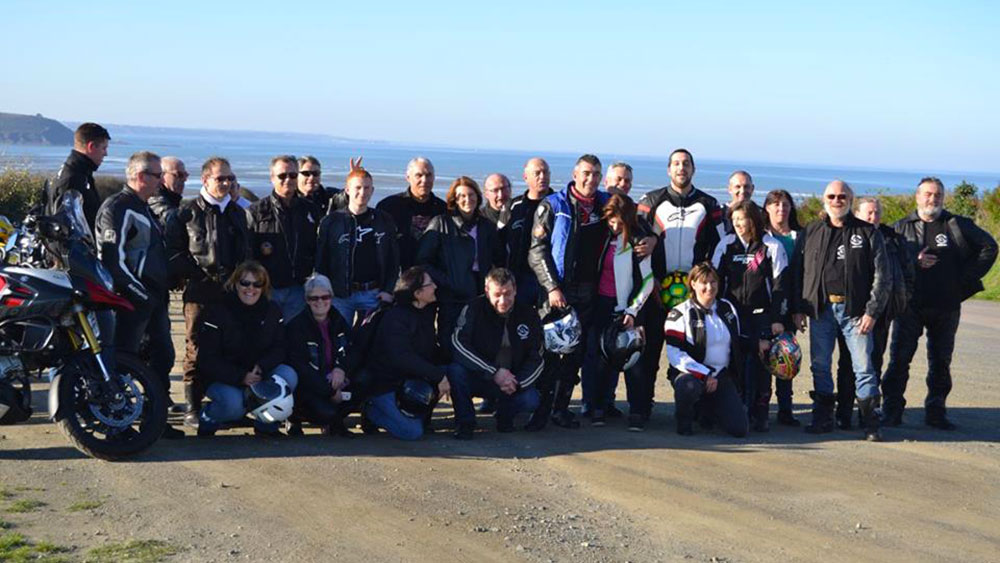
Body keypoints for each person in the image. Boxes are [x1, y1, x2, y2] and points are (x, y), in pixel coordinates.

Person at [881, 177, 998, 430]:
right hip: (909, 306)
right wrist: (914, 261)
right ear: (917, 197)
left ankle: (936, 411)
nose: (932, 199)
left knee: (941, 361)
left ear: (943, 198)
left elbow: (989, 246)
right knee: (899, 359)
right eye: (927, 194)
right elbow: (887, 260)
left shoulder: (956, 224)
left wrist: (964, 279)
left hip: (946, 305)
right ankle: (891, 410)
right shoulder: (900, 228)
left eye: (937, 195)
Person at [95, 151, 183, 439]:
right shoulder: (118, 207)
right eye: (158, 175)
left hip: (154, 301)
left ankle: (154, 419)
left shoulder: (143, 206)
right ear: (141, 176)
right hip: (131, 302)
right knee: (124, 363)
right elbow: (113, 260)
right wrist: (138, 294)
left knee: (162, 358)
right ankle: (115, 425)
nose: (162, 181)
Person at [635, 148, 724, 430]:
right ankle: (640, 408)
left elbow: (720, 247)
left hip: (694, 297)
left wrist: (705, 286)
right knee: (647, 354)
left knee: (693, 353)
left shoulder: (709, 204)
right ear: (668, 169)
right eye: (675, 164)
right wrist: (652, 283)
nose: (681, 168)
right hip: (656, 292)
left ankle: (693, 408)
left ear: (693, 169)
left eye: (686, 164)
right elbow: (637, 245)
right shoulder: (651, 201)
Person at [792, 180, 888, 441]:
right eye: (831, 196)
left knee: (864, 367)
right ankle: (823, 419)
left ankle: (870, 424)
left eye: (842, 196)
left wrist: (872, 311)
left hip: (856, 312)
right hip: (820, 310)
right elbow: (798, 272)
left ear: (851, 199)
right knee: (820, 365)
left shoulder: (868, 233)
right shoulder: (811, 231)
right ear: (825, 199)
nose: (837, 200)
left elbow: (882, 276)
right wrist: (799, 309)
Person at [165, 156, 252, 428]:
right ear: (205, 180)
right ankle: (192, 406)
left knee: (231, 345)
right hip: (200, 291)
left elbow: (246, 253)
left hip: (232, 291)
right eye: (220, 178)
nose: (226, 183)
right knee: (195, 347)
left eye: (229, 178)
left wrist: (239, 281)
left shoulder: (238, 213)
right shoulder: (186, 212)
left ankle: (227, 405)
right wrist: (197, 275)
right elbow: (173, 252)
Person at [527, 154, 611, 429]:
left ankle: (561, 409)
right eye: (586, 173)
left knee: (575, 354)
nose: (591, 179)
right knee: (549, 352)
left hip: (589, 292)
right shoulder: (553, 205)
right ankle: (539, 410)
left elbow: (636, 224)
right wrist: (552, 287)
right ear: (575, 174)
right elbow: (536, 251)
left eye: (597, 174)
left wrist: (649, 238)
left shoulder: (606, 205)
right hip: (556, 292)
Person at [195, 261, 297, 437]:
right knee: (234, 405)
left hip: (259, 373)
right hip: (223, 377)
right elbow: (207, 359)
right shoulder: (217, 311)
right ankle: (208, 417)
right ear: (235, 283)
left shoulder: (272, 310)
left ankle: (266, 423)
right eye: (245, 283)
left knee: (288, 375)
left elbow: (280, 347)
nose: (251, 288)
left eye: (257, 284)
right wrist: (241, 376)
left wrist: (262, 366)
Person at [833, 197, 910, 429]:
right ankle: (844, 413)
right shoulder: (850, 236)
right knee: (847, 364)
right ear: (857, 213)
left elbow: (907, 274)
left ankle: (867, 416)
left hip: (882, 313)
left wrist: (900, 302)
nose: (873, 217)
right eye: (868, 213)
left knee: (873, 363)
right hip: (854, 312)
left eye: (877, 213)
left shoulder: (894, 240)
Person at [711, 200, 788, 432]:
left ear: (753, 219)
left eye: (741, 219)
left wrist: (778, 319)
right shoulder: (726, 245)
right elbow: (714, 280)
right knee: (734, 363)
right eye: (734, 220)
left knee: (762, 365)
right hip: (732, 316)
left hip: (762, 316)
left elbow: (780, 286)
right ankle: (736, 410)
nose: (737, 224)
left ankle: (761, 413)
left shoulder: (772, 246)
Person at [584, 194, 655, 426]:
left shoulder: (638, 241)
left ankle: (637, 411)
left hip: (628, 309)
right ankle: (598, 408)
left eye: (619, 222)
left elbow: (648, 281)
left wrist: (633, 311)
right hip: (602, 306)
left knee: (634, 361)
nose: (614, 226)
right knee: (601, 360)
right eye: (611, 220)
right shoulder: (603, 237)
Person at [447, 268, 543, 439]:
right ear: (486, 291)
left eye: (507, 294)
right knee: (455, 371)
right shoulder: (473, 308)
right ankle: (465, 423)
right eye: (497, 294)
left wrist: (517, 383)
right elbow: (459, 344)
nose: (503, 300)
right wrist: (493, 371)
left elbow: (537, 357)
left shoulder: (529, 314)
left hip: (511, 382)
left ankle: (505, 416)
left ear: (515, 290)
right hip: (481, 375)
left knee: (531, 399)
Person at [416, 176, 505, 358]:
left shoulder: (486, 227)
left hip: (481, 296)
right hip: (451, 296)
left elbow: (500, 259)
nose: (467, 200)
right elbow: (422, 261)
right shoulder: (441, 223)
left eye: (471, 195)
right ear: (454, 200)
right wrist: (446, 281)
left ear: (478, 197)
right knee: (450, 346)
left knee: (479, 345)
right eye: (462, 196)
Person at [361, 266, 449, 440]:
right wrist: (438, 376)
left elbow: (429, 350)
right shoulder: (396, 318)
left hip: (412, 383)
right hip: (387, 385)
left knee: (452, 369)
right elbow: (402, 357)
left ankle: (416, 414)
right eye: (430, 284)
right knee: (412, 432)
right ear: (417, 293)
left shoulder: (424, 313)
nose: (435, 287)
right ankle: (371, 410)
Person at [664, 262, 749, 437]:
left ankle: (709, 410)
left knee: (739, 429)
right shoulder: (679, 313)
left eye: (713, 282)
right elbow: (675, 355)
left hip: (721, 376)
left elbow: (739, 341)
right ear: (693, 284)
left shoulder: (727, 308)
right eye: (704, 282)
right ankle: (684, 418)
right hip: (693, 375)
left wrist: (761, 344)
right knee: (688, 386)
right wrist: (704, 374)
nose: (709, 287)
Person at [315, 168, 399, 326]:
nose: (362, 192)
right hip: (340, 294)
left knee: (370, 341)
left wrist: (388, 290)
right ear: (347, 190)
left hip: (374, 293)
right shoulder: (332, 222)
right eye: (357, 187)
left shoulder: (384, 220)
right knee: (340, 340)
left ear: (372, 190)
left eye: (367, 188)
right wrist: (324, 291)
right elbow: (321, 260)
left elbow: (393, 260)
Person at [247, 155, 320, 320]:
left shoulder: (309, 210)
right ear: (272, 178)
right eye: (282, 176)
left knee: (294, 338)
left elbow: (318, 247)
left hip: (299, 289)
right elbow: (247, 252)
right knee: (268, 336)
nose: (288, 179)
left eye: (293, 175)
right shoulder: (256, 211)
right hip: (268, 289)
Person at [285, 274, 354, 437]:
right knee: (326, 413)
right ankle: (296, 415)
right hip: (311, 386)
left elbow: (352, 350)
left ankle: (335, 418)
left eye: (325, 297)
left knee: (365, 381)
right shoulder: (296, 326)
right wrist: (329, 390)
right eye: (314, 298)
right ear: (307, 300)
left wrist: (341, 368)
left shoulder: (339, 320)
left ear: (331, 297)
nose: (320, 302)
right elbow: (301, 368)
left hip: (336, 379)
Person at [762, 189, 805, 425]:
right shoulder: (760, 236)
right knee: (762, 355)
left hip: (789, 307)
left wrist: (799, 310)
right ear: (767, 208)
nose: (781, 209)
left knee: (785, 356)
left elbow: (803, 276)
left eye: (786, 205)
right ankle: (761, 408)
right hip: (763, 305)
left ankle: (785, 410)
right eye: (776, 204)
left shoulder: (800, 237)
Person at [376, 157, 446, 270]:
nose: (424, 180)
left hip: (432, 279)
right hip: (398, 278)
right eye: (419, 175)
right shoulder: (388, 207)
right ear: (408, 177)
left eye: (429, 175)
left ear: (434, 178)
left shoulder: (443, 210)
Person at [506, 157, 555, 306]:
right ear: (525, 177)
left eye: (546, 173)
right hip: (518, 277)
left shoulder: (558, 204)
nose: (543, 177)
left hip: (548, 278)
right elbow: (499, 238)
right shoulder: (514, 206)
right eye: (537, 173)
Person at [47, 122, 110, 231]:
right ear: (91, 147)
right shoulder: (72, 179)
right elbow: (67, 228)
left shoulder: (81, 172)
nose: (105, 154)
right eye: (103, 148)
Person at [148, 156, 187, 229]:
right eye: (178, 175)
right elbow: (169, 218)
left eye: (185, 175)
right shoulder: (154, 199)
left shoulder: (174, 200)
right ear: (162, 176)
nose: (184, 179)